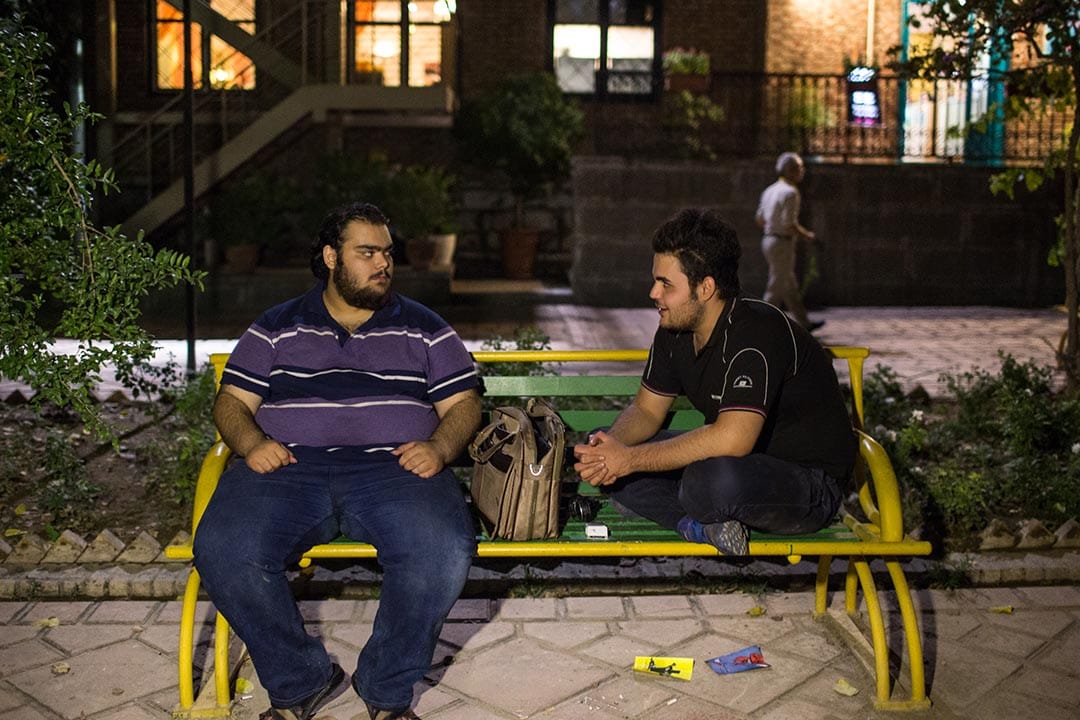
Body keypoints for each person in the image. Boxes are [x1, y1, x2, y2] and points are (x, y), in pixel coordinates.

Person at [192, 202, 482, 720]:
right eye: (366, 252)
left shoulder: (425, 327)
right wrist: (252, 444)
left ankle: (385, 690)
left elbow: (463, 405)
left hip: (395, 471)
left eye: (387, 252)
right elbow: (231, 402)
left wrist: (439, 448)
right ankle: (299, 680)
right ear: (330, 257)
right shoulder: (276, 325)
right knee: (223, 546)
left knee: (441, 549)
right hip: (289, 469)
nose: (383, 263)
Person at [572, 208, 856, 555]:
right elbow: (646, 411)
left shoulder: (757, 332)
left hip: (807, 483)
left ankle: (670, 503)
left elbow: (732, 438)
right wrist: (608, 454)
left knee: (708, 481)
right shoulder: (674, 331)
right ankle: (696, 526)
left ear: (705, 287)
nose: (653, 293)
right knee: (603, 439)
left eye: (666, 284)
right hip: (735, 463)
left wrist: (629, 462)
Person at [756, 151, 823, 331]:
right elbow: (789, 224)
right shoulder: (791, 192)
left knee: (789, 286)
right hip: (781, 242)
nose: (802, 171)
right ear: (790, 170)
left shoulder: (770, 190)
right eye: (799, 168)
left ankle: (804, 322)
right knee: (776, 286)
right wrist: (808, 236)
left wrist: (772, 227)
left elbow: (760, 218)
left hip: (768, 240)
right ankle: (759, 325)